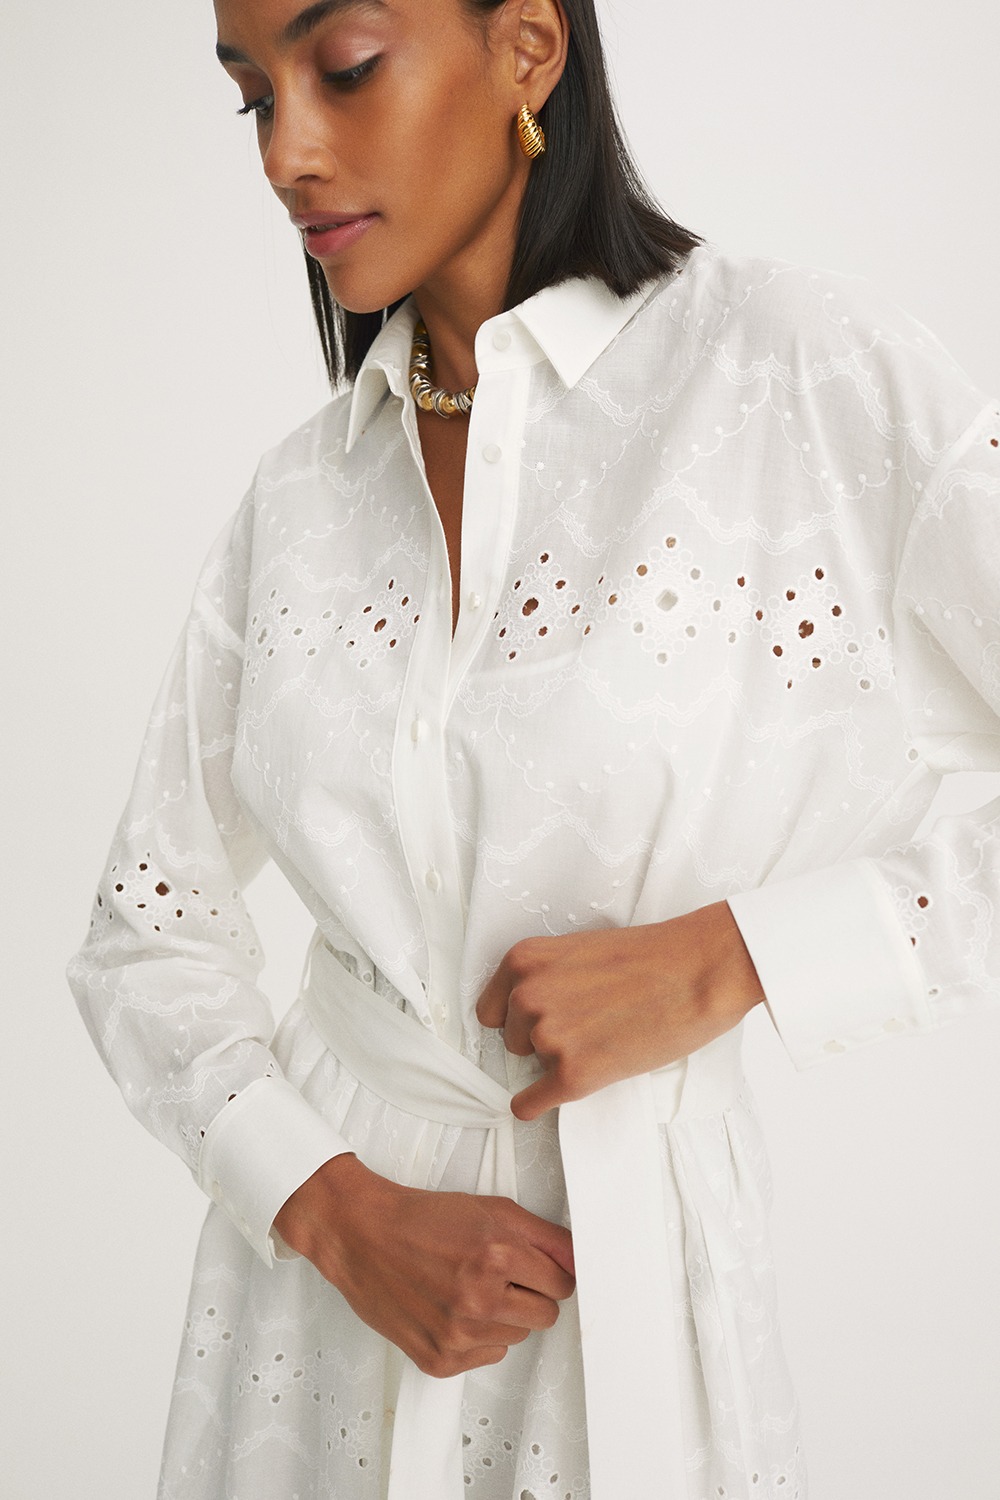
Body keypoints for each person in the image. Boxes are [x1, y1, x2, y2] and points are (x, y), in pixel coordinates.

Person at [67, 0, 1000, 1495]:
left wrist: (737, 959)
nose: (287, 153)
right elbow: (143, 928)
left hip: (613, 1281)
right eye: (252, 99)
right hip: (314, 1310)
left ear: (528, 46)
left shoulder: (801, 380)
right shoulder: (301, 497)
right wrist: (332, 1208)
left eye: (344, 68)